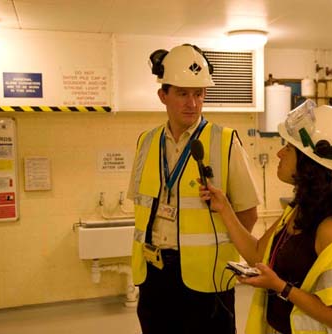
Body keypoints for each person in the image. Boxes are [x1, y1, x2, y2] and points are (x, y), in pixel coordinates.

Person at [200, 100, 332, 334]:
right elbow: (257, 254)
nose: (279, 153)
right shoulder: (298, 210)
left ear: (309, 162)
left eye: (287, 148)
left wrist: (280, 287)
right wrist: (225, 208)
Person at [127, 43, 261, 334]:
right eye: (183, 93)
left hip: (207, 278)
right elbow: (140, 204)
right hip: (154, 274)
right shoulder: (146, 141)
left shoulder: (225, 142)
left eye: (198, 94)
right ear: (163, 95)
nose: (192, 103)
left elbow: (248, 214)